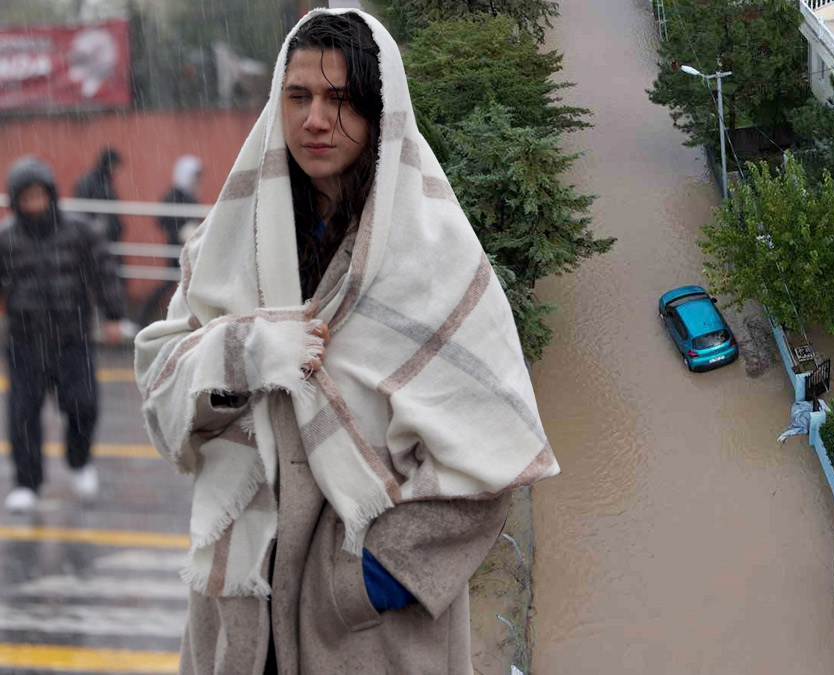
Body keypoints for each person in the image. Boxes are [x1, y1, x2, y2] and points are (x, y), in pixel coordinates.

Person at [134, 10, 559, 674]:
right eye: (298, 96)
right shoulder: (228, 242)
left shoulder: (434, 258)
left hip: (367, 632)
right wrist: (241, 352)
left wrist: (370, 579)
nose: (315, 118)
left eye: (341, 99)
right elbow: (161, 386)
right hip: (239, 604)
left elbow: (493, 449)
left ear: (379, 110)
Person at [2, 157, 126, 513]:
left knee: (84, 405)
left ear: (51, 195)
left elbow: (105, 272)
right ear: (16, 201)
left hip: (73, 338)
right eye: (26, 198)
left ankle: (79, 461)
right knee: (23, 417)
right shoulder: (6, 238)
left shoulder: (80, 232)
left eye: (39, 196)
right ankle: (27, 484)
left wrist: (115, 316)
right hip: (24, 342)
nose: (34, 205)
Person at [138, 155, 202, 326]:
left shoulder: (190, 195)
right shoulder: (173, 196)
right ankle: (146, 316)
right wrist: (180, 230)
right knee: (172, 283)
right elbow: (162, 220)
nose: (196, 180)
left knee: (186, 283)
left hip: (189, 247)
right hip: (176, 247)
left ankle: (185, 319)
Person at [73, 146, 125, 244]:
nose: (116, 171)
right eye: (114, 166)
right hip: (96, 237)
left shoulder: (104, 182)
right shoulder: (91, 182)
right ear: (108, 164)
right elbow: (82, 210)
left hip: (104, 236)